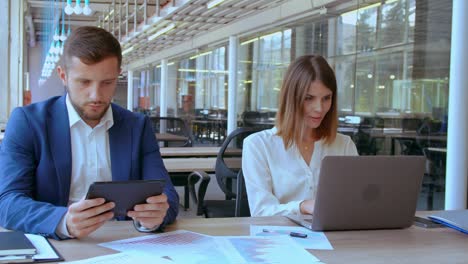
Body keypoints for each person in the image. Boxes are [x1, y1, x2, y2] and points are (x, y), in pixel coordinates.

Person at [0, 26, 178, 239]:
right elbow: (7, 201)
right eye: (84, 82)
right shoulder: (28, 123)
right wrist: (62, 221)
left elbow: (168, 196)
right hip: (55, 242)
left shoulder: (137, 126)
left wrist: (155, 216)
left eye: (107, 83)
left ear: (118, 76)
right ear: (63, 76)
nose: (96, 95)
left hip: (125, 242)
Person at [242, 55, 358, 216]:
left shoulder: (344, 145)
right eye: (308, 98)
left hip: (335, 238)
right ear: (291, 98)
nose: (319, 108)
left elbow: (356, 202)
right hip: (280, 238)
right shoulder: (258, 145)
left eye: (326, 98)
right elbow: (261, 211)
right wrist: (302, 206)